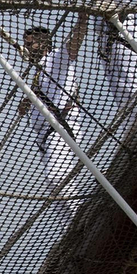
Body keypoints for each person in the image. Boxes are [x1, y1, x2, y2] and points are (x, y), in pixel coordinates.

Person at [19, 17, 90, 230]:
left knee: (57, 176)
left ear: (44, 43)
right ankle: (72, 229)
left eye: (30, 44)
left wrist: (82, 17)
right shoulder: (38, 73)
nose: (27, 48)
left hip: (61, 127)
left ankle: (82, 219)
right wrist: (27, 103)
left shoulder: (56, 58)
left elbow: (74, 43)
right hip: (45, 135)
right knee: (54, 186)